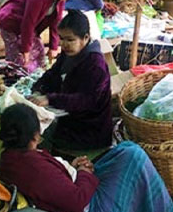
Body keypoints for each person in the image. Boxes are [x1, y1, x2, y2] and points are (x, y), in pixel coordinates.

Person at [0, 104, 173, 212]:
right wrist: (82, 173)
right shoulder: (31, 165)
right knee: (134, 157)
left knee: (124, 151)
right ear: (35, 136)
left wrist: (70, 168)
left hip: (69, 196)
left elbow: (51, 184)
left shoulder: (10, 157)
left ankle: (157, 205)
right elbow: (77, 199)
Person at [29, 10, 112, 152]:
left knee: (38, 139)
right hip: (69, 120)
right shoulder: (69, 54)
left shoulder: (96, 65)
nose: (64, 44)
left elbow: (86, 100)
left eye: (70, 39)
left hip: (89, 131)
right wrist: (38, 89)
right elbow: (52, 74)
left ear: (85, 38)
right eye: (61, 38)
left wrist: (50, 99)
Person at [0, 0, 78, 72]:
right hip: (11, 22)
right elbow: (28, 23)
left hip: (29, 27)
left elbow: (56, 21)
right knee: (20, 63)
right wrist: (26, 51)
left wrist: (54, 46)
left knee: (40, 56)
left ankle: (38, 83)